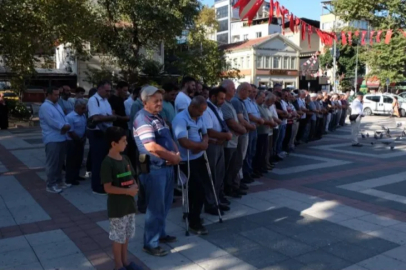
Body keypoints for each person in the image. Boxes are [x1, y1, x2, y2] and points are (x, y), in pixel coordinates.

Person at [133, 86, 181, 256]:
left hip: (166, 167)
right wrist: (172, 157)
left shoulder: (157, 117)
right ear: (145, 102)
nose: (160, 103)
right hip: (154, 169)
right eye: (156, 101)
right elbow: (151, 146)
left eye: (161, 100)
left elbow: (168, 138)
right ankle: (150, 243)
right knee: (155, 208)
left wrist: (175, 153)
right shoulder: (142, 118)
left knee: (164, 205)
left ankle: (160, 234)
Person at [101, 127, 140, 270]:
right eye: (123, 141)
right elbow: (107, 188)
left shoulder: (125, 158)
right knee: (118, 237)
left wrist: (135, 187)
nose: (126, 143)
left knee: (126, 234)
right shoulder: (107, 163)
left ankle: (125, 262)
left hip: (128, 205)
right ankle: (118, 265)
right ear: (113, 144)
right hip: (117, 208)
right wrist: (127, 192)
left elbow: (132, 178)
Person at [172, 96, 210, 235]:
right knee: (198, 189)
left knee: (198, 187)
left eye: (204, 111)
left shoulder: (199, 117)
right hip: (186, 159)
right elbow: (183, 142)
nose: (202, 114)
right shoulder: (180, 119)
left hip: (199, 157)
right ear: (193, 107)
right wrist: (200, 145)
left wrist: (203, 144)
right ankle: (194, 222)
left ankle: (191, 212)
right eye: (200, 111)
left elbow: (205, 133)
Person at [202, 87, 232, 215]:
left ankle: (217, 199)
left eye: (224, 98)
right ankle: (210, 203)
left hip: (219, 144)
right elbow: (209, 131)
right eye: (221, 98)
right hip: (212, 145)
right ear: (213, 97)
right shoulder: (206, 109)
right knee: (211, 175)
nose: (223, 101)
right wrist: (225, 136)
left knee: (219, 174)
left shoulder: (218, 109)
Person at [39, 87, 71, 193]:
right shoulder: (45, 106)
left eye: (58, 95)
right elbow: (51, 122)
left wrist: (66, 125)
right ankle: (50, 184)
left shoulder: (57, 105)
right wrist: (63, 127)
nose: (57, 97)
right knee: (52, 163)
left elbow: (64, 117)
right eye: (55, 95)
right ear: (48, 95)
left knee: (59, 162)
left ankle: (59, 182)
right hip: (52, 138)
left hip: (61, 137)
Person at [87, 80, 117, 194]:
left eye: (110, 91)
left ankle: (105, 183)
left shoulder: (105, 101)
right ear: (99, 89)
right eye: (106, 90)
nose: (108, 93)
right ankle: (96, 186)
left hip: (106, 133)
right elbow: (96, 118)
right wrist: (111, 118)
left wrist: (109, 117)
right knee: (98, 161)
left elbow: (107, 115)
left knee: (106, 161)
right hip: (97, 133)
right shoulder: (93, 100)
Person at [221, 80, 247, 200]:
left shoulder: (229, 103)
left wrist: (241, 128)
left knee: (235, 164)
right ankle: (228, 189)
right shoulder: (224, 105)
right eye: (232, 88)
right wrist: (243, 129)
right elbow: (231, 122)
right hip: (229, 143)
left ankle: (231, 187)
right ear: (225, 89)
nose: (234, 90)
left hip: (234, 140)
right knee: (229, 167)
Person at [230, 83, 255, 193]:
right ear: (243, 90)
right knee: (238, 159)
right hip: (241, 135)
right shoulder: (236, 101)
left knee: (241, 159)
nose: (250, 94)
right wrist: (251, 126)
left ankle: (238, 182)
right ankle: (235, 184)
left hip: (245, 134)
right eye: (249, 91)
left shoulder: (240, 102)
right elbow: (241, 120)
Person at [243, 85, 264, 180]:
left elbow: (257, 114)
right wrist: (259, 121)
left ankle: (251, 170)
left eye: (255, 92)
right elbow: (250, 116)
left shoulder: (253, 102)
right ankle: (247, 173)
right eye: (252, 91)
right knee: (248, 151)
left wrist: (260, 120)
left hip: (255, 128)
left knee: (252, 151)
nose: (254, 94)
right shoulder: (246, 102)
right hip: (249, 129)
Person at [65, 99, 87, 186]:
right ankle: (70, 178)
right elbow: (70, 131)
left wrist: (83, 137)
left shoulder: (83, 115)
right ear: (77, 108)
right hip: (72, 141)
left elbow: (84, 127)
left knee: (79, 159)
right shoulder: (70, 117)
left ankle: (76, 175)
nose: (84, 110)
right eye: (82, 108)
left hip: (80, 140)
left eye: (85, 108)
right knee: (71, 160)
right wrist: (78, 139)